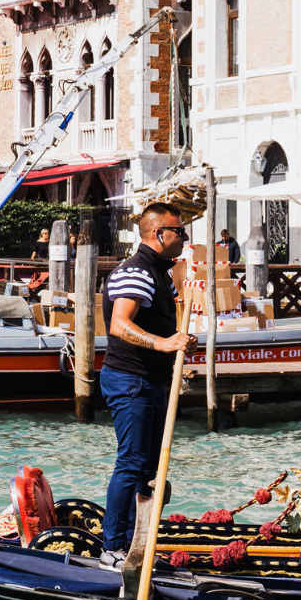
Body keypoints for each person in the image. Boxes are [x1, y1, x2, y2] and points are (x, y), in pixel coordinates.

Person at [99, 202, 197, 562]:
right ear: (160, 234)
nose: (184, 237)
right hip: (130, 381)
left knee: (150, 469)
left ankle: (135, 544)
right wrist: (163, 342)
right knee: (132, 463)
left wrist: (176, 339)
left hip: (150, 381)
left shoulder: (160, 274)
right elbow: (119, 324)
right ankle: (113, 548)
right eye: (179, 230)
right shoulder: (136, 271)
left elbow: (154, 325)